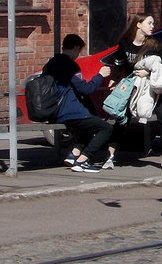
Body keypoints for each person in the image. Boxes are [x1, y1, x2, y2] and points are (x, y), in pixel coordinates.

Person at [109, 14, 162, 170]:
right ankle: (110, 156)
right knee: (122, 119)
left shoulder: (155, 45)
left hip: (153, 87)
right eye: (149, 23)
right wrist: (114, 79)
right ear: (138, 24)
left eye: (153, 23)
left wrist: (147, 72)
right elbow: (119, 64)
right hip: (134, 87)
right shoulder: (125, 45)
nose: (152, 26)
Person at [43, 33, 112, 173]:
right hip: (69, 111)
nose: (78, 55)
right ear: (75, 48)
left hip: (54, 111)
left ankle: (73, 155)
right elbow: (86, 89)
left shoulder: (50, 64)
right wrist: (100, 75)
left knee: (89, 125)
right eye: (79, 51)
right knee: (105, 128)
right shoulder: (70, 66)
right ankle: (83, 160)